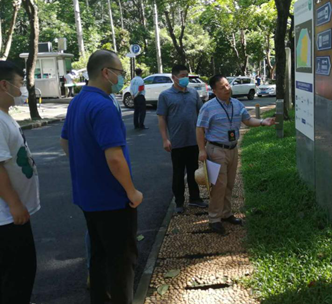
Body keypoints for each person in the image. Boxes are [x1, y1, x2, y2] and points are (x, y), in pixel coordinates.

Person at [60, 49, 143, 304]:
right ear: (106, 72)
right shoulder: (103, 105)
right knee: (121, 263)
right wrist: (132, 191)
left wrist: (87, 161)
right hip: (112, 200)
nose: (121, 77)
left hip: (88, 197)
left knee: (98, 257)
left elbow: (65, 142)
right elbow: (115, 158)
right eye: (119, 72)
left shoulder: (78, 101)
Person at [196, 75, 275, 235]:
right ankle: (214, 219)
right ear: (214, 90)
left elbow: (247, 120)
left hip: (232, 149)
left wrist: (262, 122)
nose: (227, 89)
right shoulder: (208, 107)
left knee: (229, 184)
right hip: (216, 149)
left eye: (227, 85)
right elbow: (199, 128)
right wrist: (202, 150)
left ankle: (226, 213)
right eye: (222, 87)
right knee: (218, 186)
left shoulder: (237, 104)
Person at [0, 60, 40, 303]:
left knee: (19, 275)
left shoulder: (5, 116)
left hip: (11, 215)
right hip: (6, 218)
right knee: (18, 276)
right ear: (3, 85)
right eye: (19, 84)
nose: (22, 89)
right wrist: (15, 204)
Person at [157, 64, 208, 214]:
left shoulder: (193, 93)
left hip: (194, 141)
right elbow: (161, 119)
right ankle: (179, 202)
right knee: (178, 173)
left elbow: (202, 115)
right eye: (182, 76)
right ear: (174, 78)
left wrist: (204, 136)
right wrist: (165, 139)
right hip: (177, 142)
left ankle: (195, 198)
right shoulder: (165, 96)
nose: (185, 78)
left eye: (187, 75)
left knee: (194, 171)